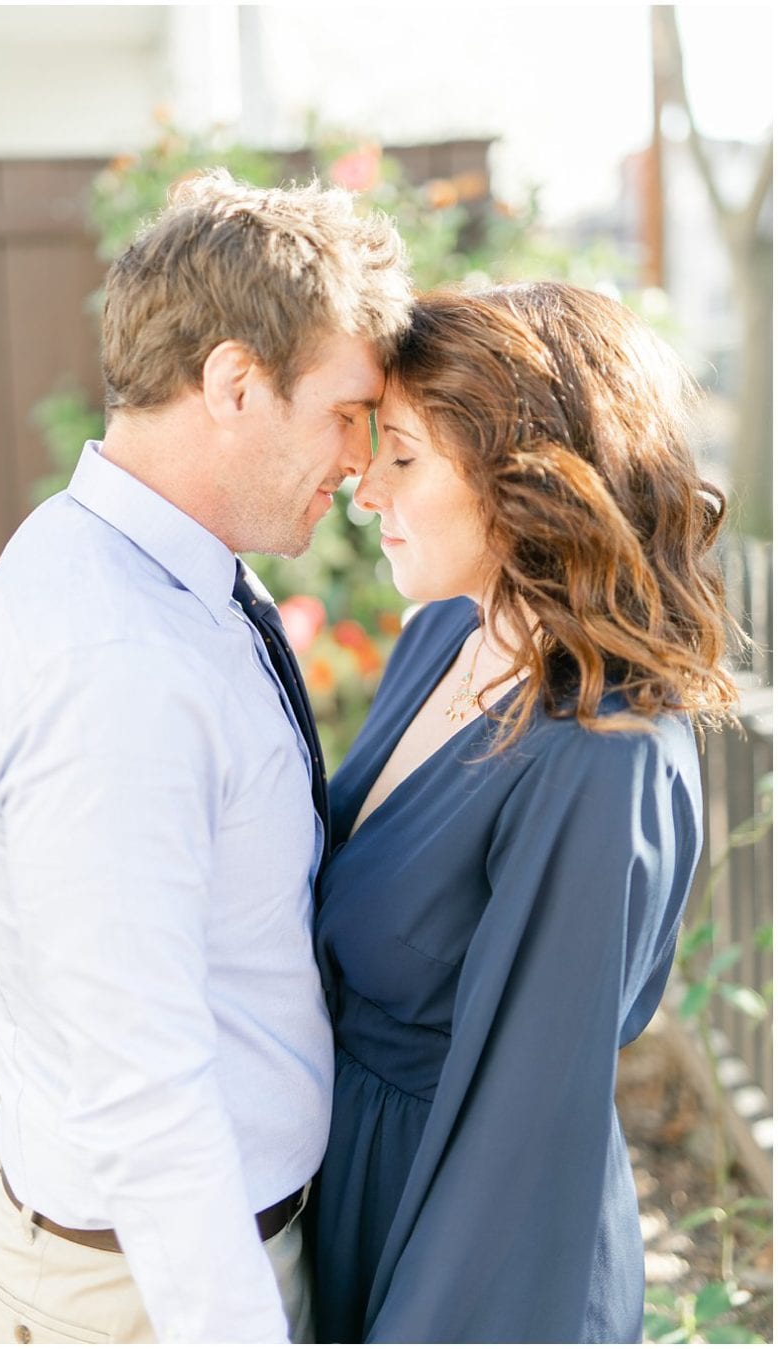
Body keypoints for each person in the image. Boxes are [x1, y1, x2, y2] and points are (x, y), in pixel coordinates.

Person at [0, 170, 412, 1343]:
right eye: (345, 411)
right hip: (152, 1294)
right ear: (235, 383)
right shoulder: (114, 659)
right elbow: (139, 1079)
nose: (359, 462)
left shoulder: (167, 577)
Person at [310, 282, 744, 1342]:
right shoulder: (438, 642)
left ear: (530, 480)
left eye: (404, 456)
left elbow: (525, 1131)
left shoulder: (600, 753)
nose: (366, 485)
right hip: (354, 1186)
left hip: (472, 1247)